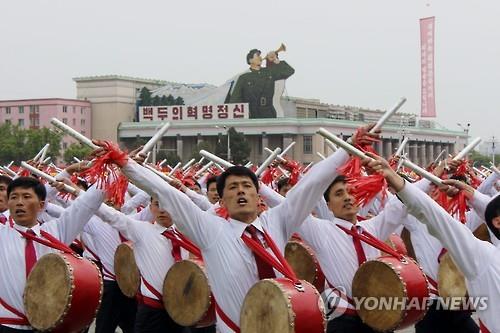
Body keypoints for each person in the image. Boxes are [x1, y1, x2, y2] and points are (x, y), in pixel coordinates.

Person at [93, 125, 375, 333]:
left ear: (258, 195)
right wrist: (124, 163)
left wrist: (347, 147)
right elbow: (166, 192)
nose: (241, 191)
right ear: (223, 199)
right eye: (233, 187)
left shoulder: (277, 222)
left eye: (247, 186)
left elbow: (311, 184)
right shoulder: (210, 229)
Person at [373, 154, 500, 333]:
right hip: (432, 303)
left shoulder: (463, 218)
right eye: (438, 186)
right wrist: (400, 180)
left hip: (458, 303)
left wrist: (470, 193)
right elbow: (426, 210)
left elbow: (486, 208)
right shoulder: (484, 255)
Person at [0, 177, 104, 332]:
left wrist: (119, 165)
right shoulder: (2, 234)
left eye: (26, 197)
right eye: (14, 197)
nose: (19, 202)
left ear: (41, 205)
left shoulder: (56, 231)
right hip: (9, 326)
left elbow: (88, 203)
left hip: (51, 326)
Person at [228, 49, 294, 118]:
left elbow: (289, 71)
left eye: (260, 55)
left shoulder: (269, 71)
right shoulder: (244, 77)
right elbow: (235, 100)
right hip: (252, 114)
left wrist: (276, 60)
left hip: (268, 113)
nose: (260, 57)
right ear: (250, 60)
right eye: (257, 55)